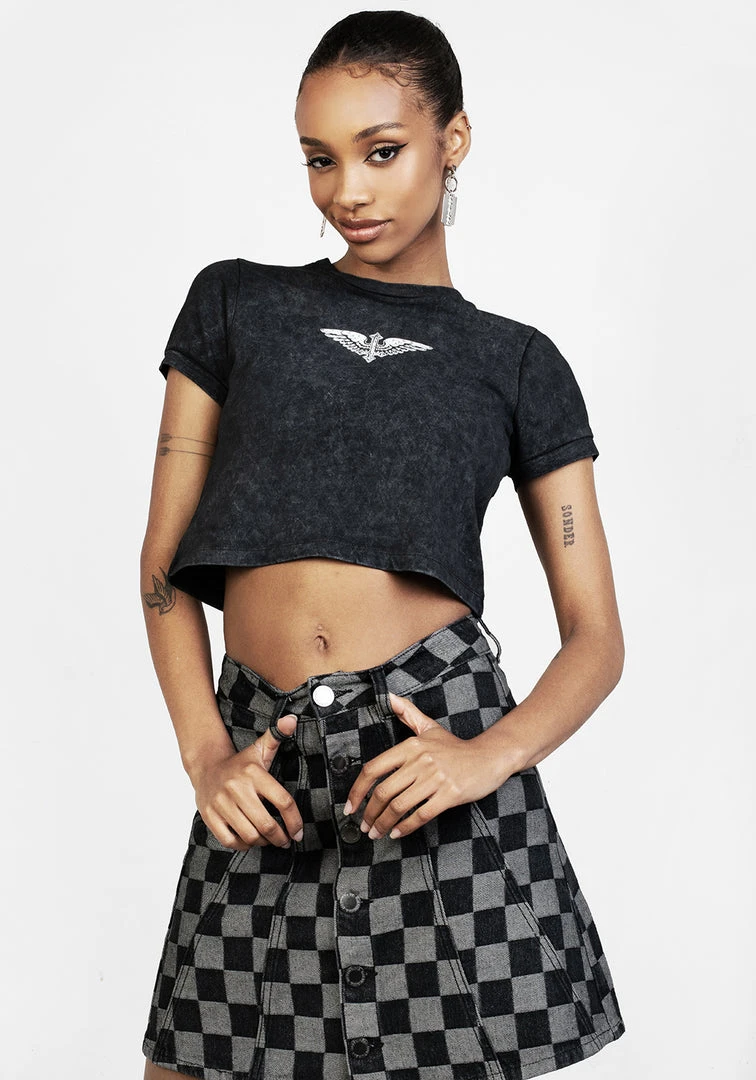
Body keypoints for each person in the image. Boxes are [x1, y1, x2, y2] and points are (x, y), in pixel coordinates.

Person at [140, 10, 626, 1080]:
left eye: (382, 151)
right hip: (263, 779)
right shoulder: (234, 303)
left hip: (428, 775)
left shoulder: (519, 362)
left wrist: (485, 756)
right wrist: (204, 754)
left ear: (454, 140)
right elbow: (162, 572)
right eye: (320, 158)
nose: (347, 192)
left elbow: (596, 637)